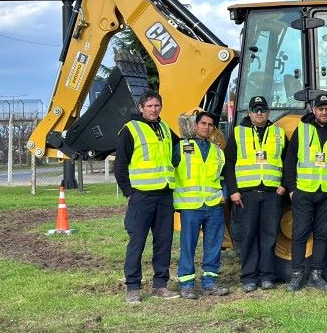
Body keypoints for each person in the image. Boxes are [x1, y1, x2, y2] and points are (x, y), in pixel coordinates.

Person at [115, 90, 181, 304]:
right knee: (137, 242)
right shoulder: (130, 130)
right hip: (141, 196)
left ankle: (160, 286)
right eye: (150, 106)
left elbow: (178, 148)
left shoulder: (164, 128)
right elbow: (120, 165)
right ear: (141, 108)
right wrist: (129, 192)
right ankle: (133, 287)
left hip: (164, 195)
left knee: (164, 242)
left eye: (157, 105)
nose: (154, 109)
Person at [282, 93, 327, 291]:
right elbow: (290, 161)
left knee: (322, 234)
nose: (324, 112)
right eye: (321, 109)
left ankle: (317, 275)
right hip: (304, 191)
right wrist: (292, 189)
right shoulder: (302, 130)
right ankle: (296, 275)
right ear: (314, 110)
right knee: (300, 233)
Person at [224, 96, 287, 292]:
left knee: (269, 236)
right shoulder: (238, 133)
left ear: (268, 112)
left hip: (271, 194)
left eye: (262, 109)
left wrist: (283, 186)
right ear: (249, 112)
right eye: (255, 109)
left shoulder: (279, 133)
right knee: (249, 236)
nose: (259, 113)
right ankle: (249, 277)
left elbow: (289, 162)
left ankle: (267, 276)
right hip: (246, 195)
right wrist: (233, 191)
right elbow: (229, 164)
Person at [174, 111, 230, 299]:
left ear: (214, 128)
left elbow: (223, 176)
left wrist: (225, 195)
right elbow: (170, 171)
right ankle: (187, 284)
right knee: (188, 246)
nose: (206, 127)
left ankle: (210, 283)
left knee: (214, 245)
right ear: (196, 125)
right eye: (203, 123)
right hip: (191, 206)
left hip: (214, 205)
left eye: (210, 124)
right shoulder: (181, 147)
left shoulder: (217, 151)